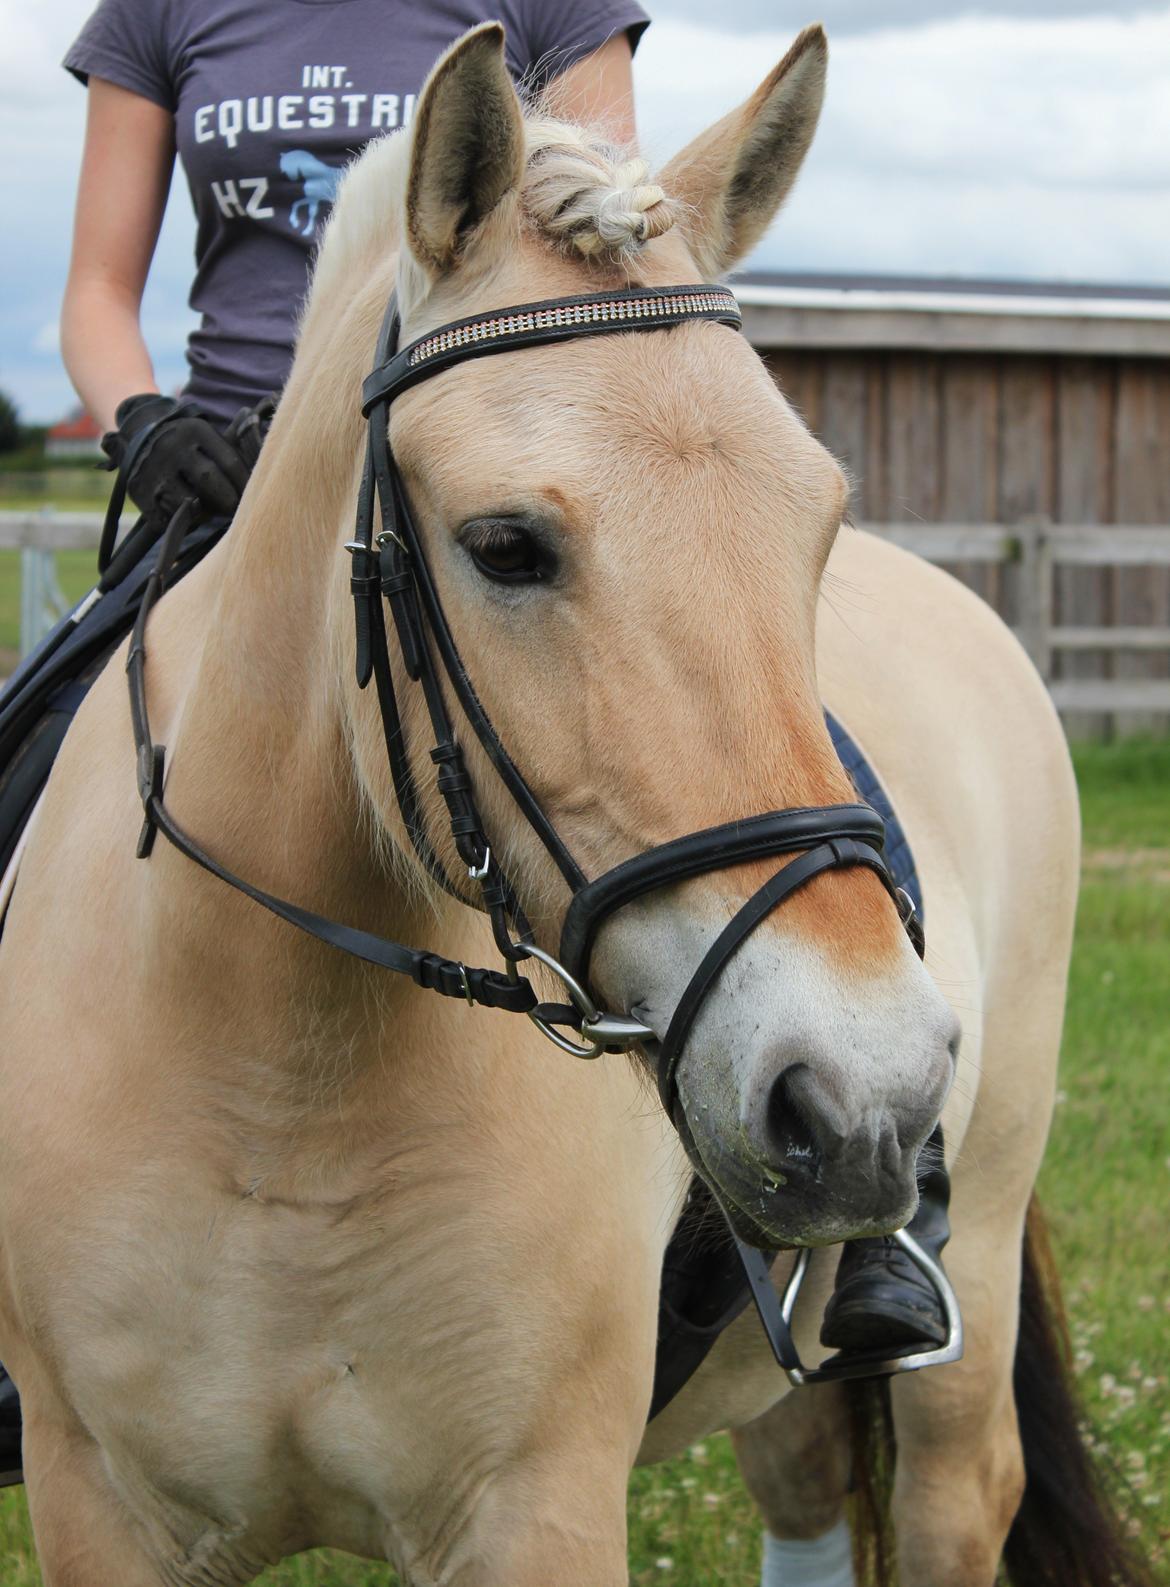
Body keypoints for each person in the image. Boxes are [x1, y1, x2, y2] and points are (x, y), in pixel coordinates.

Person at [0, 0, 949, 1489]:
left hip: (485, 449)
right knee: (25, 757)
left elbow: (615, 239)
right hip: (238, 487)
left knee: (792, 758)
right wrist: (143, 420)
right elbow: (94, 293)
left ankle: (897, 1193)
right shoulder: (162, 11)